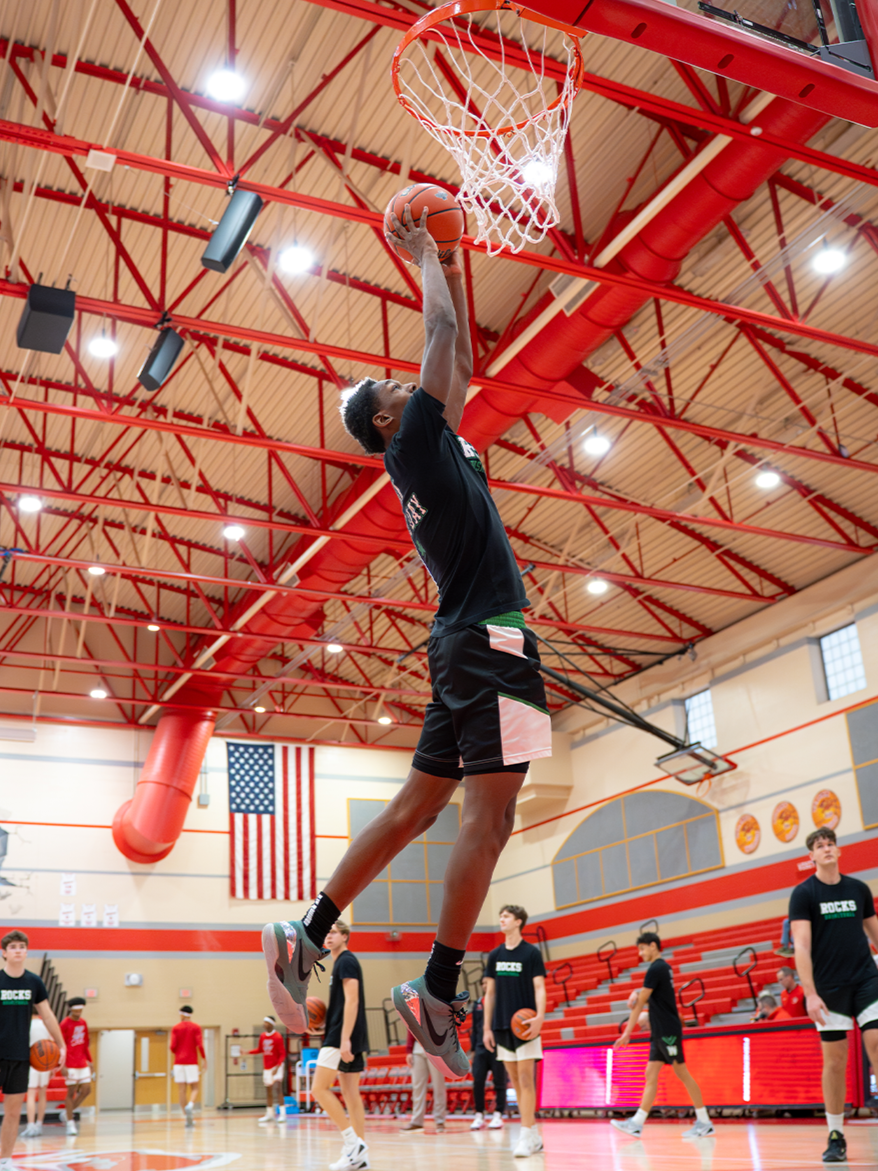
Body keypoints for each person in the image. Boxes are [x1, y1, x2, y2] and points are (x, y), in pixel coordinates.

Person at [262, 205, 551, 1080]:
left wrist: (454, 259)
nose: (404, 384)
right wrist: (427, 251)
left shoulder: (432, 444)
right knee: (489, 820)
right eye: (390, 389)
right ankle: (432, 990)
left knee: (416, 809)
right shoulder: (416, 440)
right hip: (493, 640)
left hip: (465, 641)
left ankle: (303, 933)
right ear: (388, 420)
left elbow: (457, 354)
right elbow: (441, 330)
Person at [789, 826, 878, 1164]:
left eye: (830, 844)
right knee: (836, 1060)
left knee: (876, 1042)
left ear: (838, 851)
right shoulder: (804, 894)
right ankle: (836, 1133)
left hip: (866, 979)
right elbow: (802, 945)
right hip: (829, 987)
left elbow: (875, 932)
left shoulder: (858, 888)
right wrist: (810, 994)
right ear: (810, 856)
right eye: (819, 845)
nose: (826, 849)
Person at [612, 931, 714, 1140]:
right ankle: (637, 1123)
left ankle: (704, 1122)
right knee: (650, 1074)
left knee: (682, 1073)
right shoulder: (662, 968)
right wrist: (637, 992)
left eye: (642, 949)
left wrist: (627, 1033)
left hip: (667, 1031)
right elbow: (647, 995)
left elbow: (641, 1002)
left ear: (652, 946)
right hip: (660, 1031)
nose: (640, 954)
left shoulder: (656, 968)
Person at [482, 906, 546, 1157]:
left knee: (526, 1079)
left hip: (526, 1026)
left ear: (519, 921)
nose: (501, 919)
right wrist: (486, 1027)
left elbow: (540, 987)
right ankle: (532, 1134)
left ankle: (526, 1134)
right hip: (501, 1026)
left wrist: (540, 1017)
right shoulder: (495, 955)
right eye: (500, 916)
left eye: (506, 916)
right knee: (516, 1082)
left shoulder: (531, 953)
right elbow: (491, 993)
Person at [0, 930, 66, 1171]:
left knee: (13, 1113)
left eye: (22, 946)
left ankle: (4, 1161)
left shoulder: (34, 982)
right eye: (13, 947)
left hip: (20, 1056)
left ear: (26, 951)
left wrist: (61, 1044)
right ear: (4, 953)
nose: (18, 950)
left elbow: (47, 1015)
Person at [310, 921, 369, 1171]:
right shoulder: (340, 963)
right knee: (350, 1094)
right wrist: (323, 1027)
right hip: (343, 1033)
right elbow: (342, 1007)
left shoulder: (346, 961)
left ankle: (351, 1143)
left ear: (345, 936)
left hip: (342, 1037)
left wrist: (344, 1037)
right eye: (326, 933)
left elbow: (353, 1001)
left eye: (333, 932)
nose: (328, 936)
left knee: (318, 1089)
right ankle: (360, 1155)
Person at [469, 975, 506, 1131]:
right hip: (480, 1047)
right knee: (477, 1081)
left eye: (487, 983)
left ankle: (498, 1113)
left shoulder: (502, 1001)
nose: (485, 985)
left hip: (497, 1046)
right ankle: (479, 1114)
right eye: (482, 983)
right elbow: (474, 1027)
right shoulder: (477, 1004)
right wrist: (473, 1048)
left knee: (499, 1082)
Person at [400, 1028, 447, 1134]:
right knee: (417, 1087)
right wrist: (409, 1050)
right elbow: (411, 1028)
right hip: (418, 1048)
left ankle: (440, 1120)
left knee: (438, 1085)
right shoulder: (413, 1011)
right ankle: (417, 1121)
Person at [58, 996, 93, 1135]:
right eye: (76, 1010)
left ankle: (67, 1114)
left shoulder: (83, 1023)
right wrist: (63, 1065)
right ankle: (70, 1123)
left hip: (82, 1061)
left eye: (80, 1010)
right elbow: (61, 1045)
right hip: (70, 1063)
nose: (78, 1013)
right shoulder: (64, 1024)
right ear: (71, 1010)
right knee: (71, 1092)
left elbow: (85, 1043)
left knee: (86, 1090)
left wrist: (90, 1061)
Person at [170, 1006, 205, 1125]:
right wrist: (204, 1058)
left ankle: (186, 1118)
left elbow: (172, 1047)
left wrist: (179, 1054)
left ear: (182, 1015)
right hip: (191, 1061)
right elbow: (200, 1045)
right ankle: (190, 1105)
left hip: (179, 1062)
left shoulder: (176, 1028)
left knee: (181, 1090)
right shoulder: (196, 1027)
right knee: (195, 1087)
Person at [248, 1015, 286, 1122]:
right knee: (268, 1090)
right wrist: (247, 1052)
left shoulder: (277, 1037)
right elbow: (260, 1049)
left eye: (266, 1022)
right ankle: (270, 1114)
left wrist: (277, 1067)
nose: (264, 1024)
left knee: (278, 1089)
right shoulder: (263, 1036)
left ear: (271, 1024)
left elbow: (282, 1054)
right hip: (267, 1067)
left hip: (277, 1066)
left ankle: (283, 1114)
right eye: (264, 1022)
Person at [22, 1008, 51, 1138]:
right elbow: (52, 1044)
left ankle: (31, 1125)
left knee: (31, 1095)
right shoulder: (46, 1024)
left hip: (31, 1062)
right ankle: (39, 1124)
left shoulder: (26, 1025)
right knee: (43, 1093)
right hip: (45, 1062)